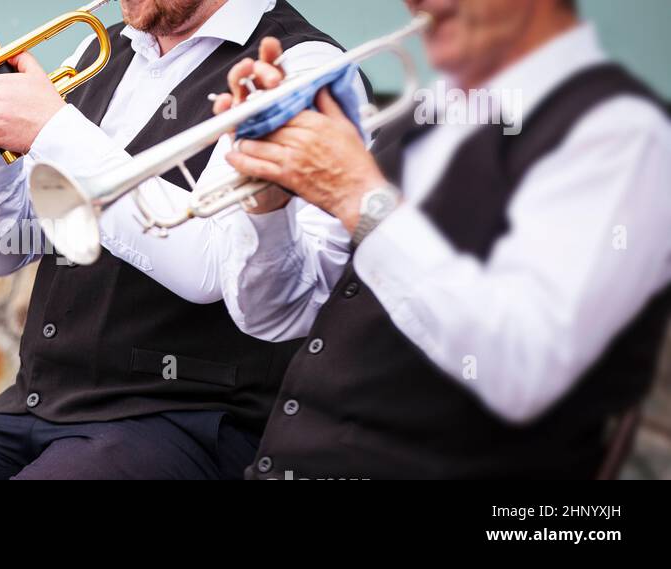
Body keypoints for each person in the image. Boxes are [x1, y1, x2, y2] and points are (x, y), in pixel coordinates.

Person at [0, 0, 365, 480]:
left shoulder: (301, 66)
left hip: (185, 420)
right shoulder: (98, 49)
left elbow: (211, 269)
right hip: (35, 405)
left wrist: (52, 128)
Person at [217, 0, 671, 478]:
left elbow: (524, 371)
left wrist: (359, 197)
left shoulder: (620, 133)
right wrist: (268, 203)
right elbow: (278, 313)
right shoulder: (422, 116)